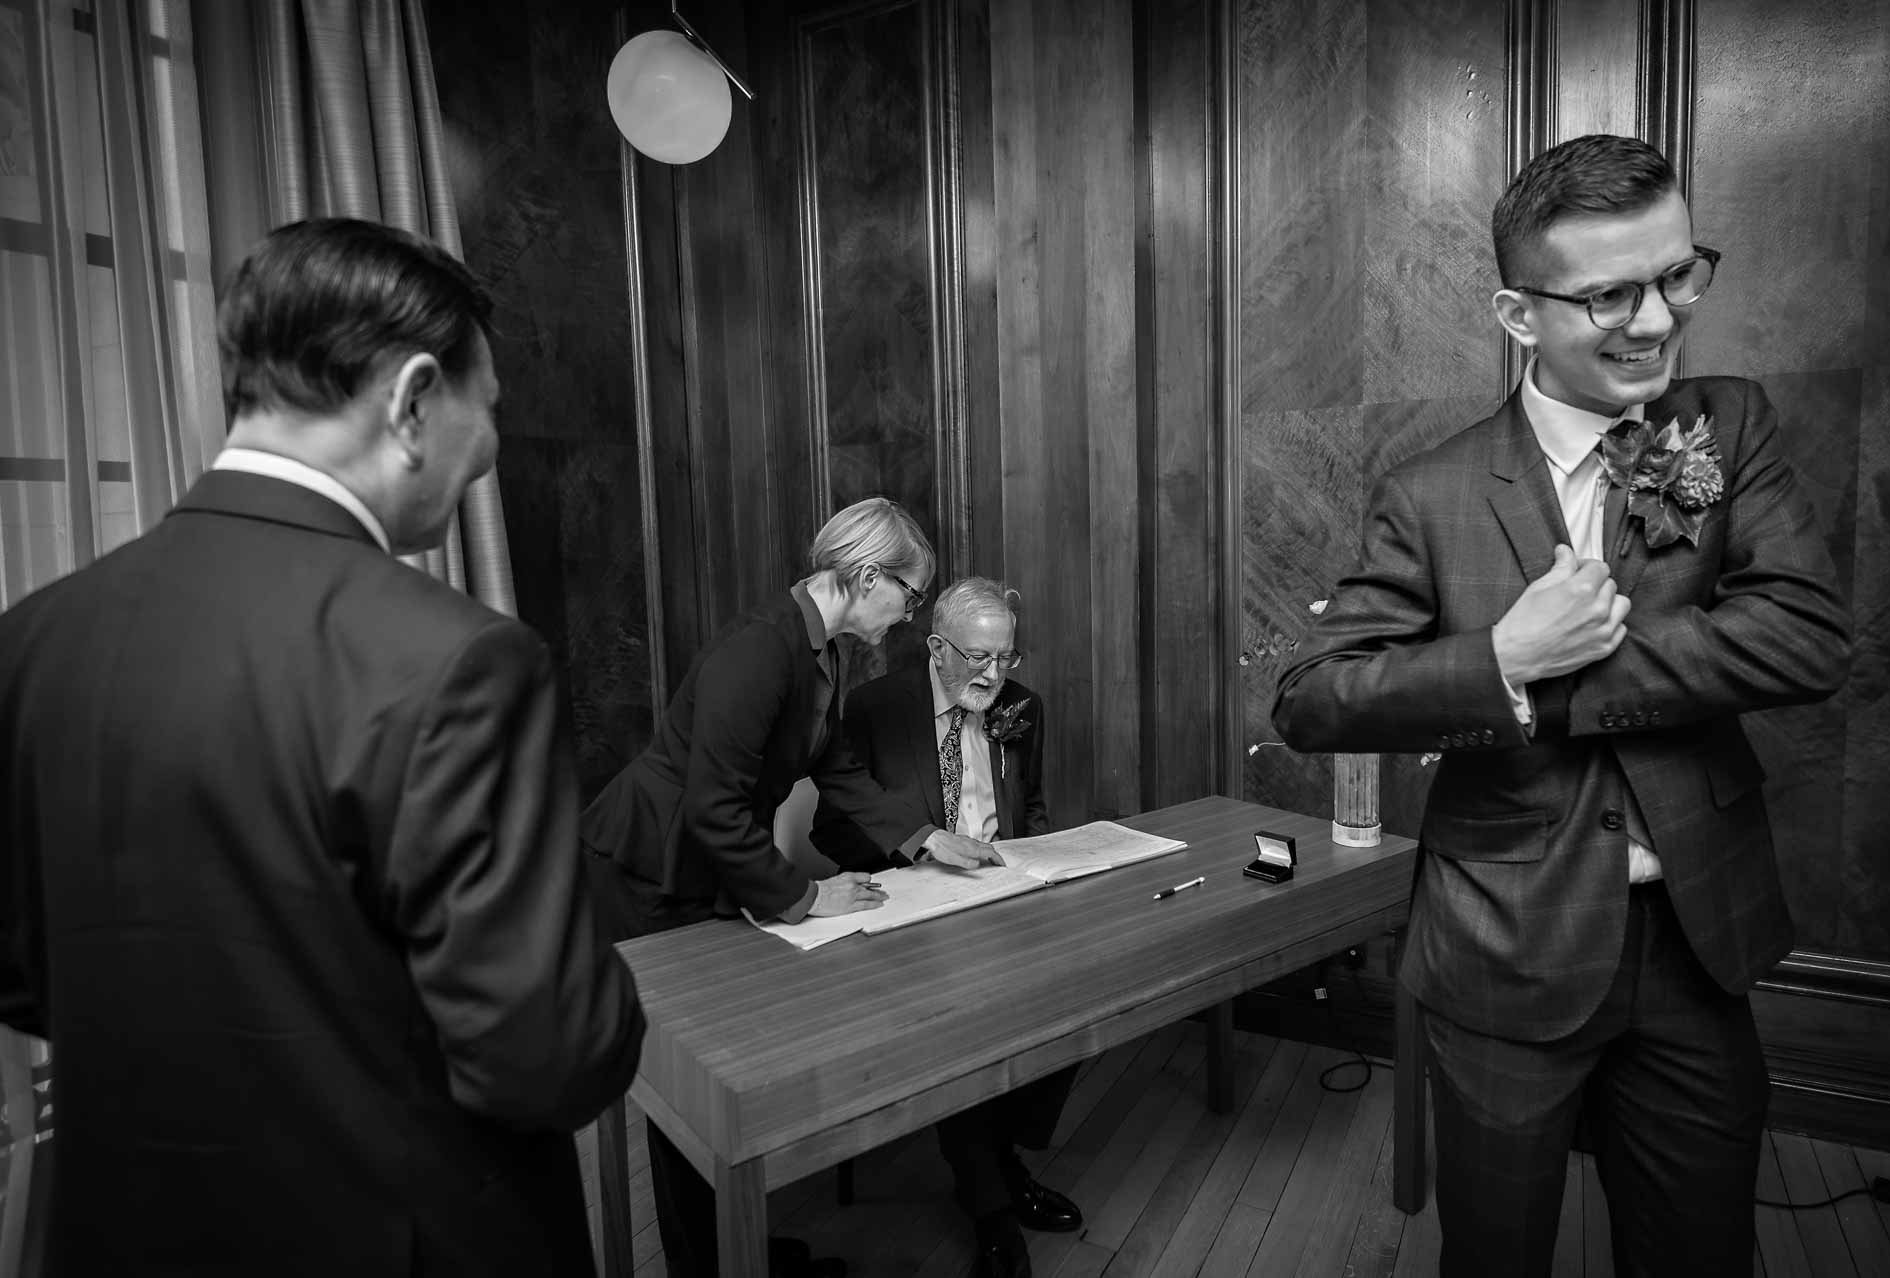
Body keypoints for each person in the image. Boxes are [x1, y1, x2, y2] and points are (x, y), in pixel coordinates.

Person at [0, 217, 646, 1275]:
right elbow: (547, 1060)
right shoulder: (457, 662)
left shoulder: (35, 637)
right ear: (413, 400)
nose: (480, 464)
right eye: (485, 426)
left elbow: (23, 970)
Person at [1270, 134, 1849, 1276]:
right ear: (1518, 312)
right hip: (1503, 946)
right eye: (1610, 294)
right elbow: (1311, 698)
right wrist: (1499, 657)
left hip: (1698, 936)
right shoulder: (1429, 490)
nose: (1657, 318)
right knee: (1495, 1254)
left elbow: (1805, 636)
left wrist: (1556, 678)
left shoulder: (1727, 428)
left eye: (1679, 274)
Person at [580, 496, 999, 1278]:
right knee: (688, 1083)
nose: (907, 617)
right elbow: (712, 806)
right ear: (868, 576)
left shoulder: (827, 651)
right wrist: (808, 898)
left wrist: (924, 835)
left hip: (701, 860)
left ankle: (733, 1248)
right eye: (908, 598)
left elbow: (833, 767)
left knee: (718, 1072)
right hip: (646, 866)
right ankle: (710, 1265)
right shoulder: (761, 649)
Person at [812, 577, 1081, 1278]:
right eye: (978, 658)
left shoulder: (1022, 707)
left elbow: (1034, 804)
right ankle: (992, 1208)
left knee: (1081, 984)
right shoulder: (875, 708)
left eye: (1007, 657)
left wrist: (1035, 868)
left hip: (1002, 893)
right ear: (936, 648)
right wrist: (915, 849)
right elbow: (832, 823)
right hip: (914, 905)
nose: (995, 675)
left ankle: (1002, 1153)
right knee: (960, 1025)